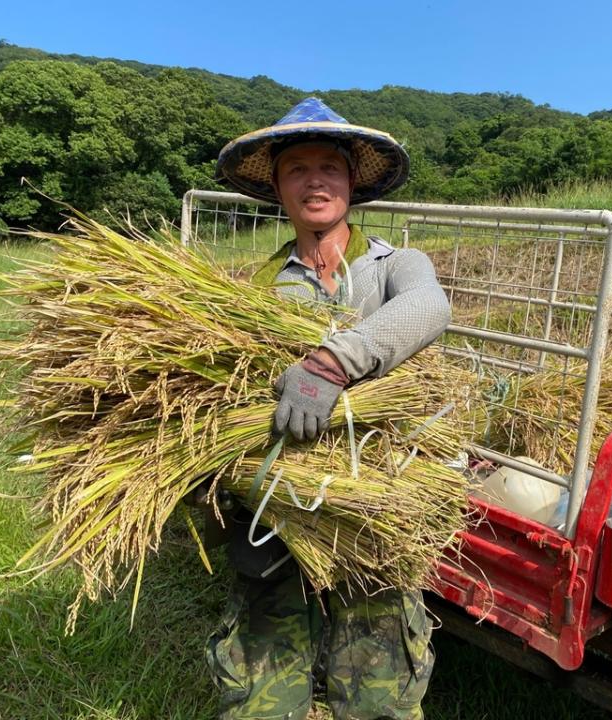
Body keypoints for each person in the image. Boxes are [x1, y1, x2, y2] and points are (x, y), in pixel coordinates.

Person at [206, 97, 452, 720]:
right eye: (296, 170)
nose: (314, 180)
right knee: (262, 692)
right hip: (277, 499)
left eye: (329, 168)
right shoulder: (255, 289)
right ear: (278, 191)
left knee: (376, 690)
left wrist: (330, 365)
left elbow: (429, 309)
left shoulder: (395, 266)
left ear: (351, 183)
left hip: (376, 493)